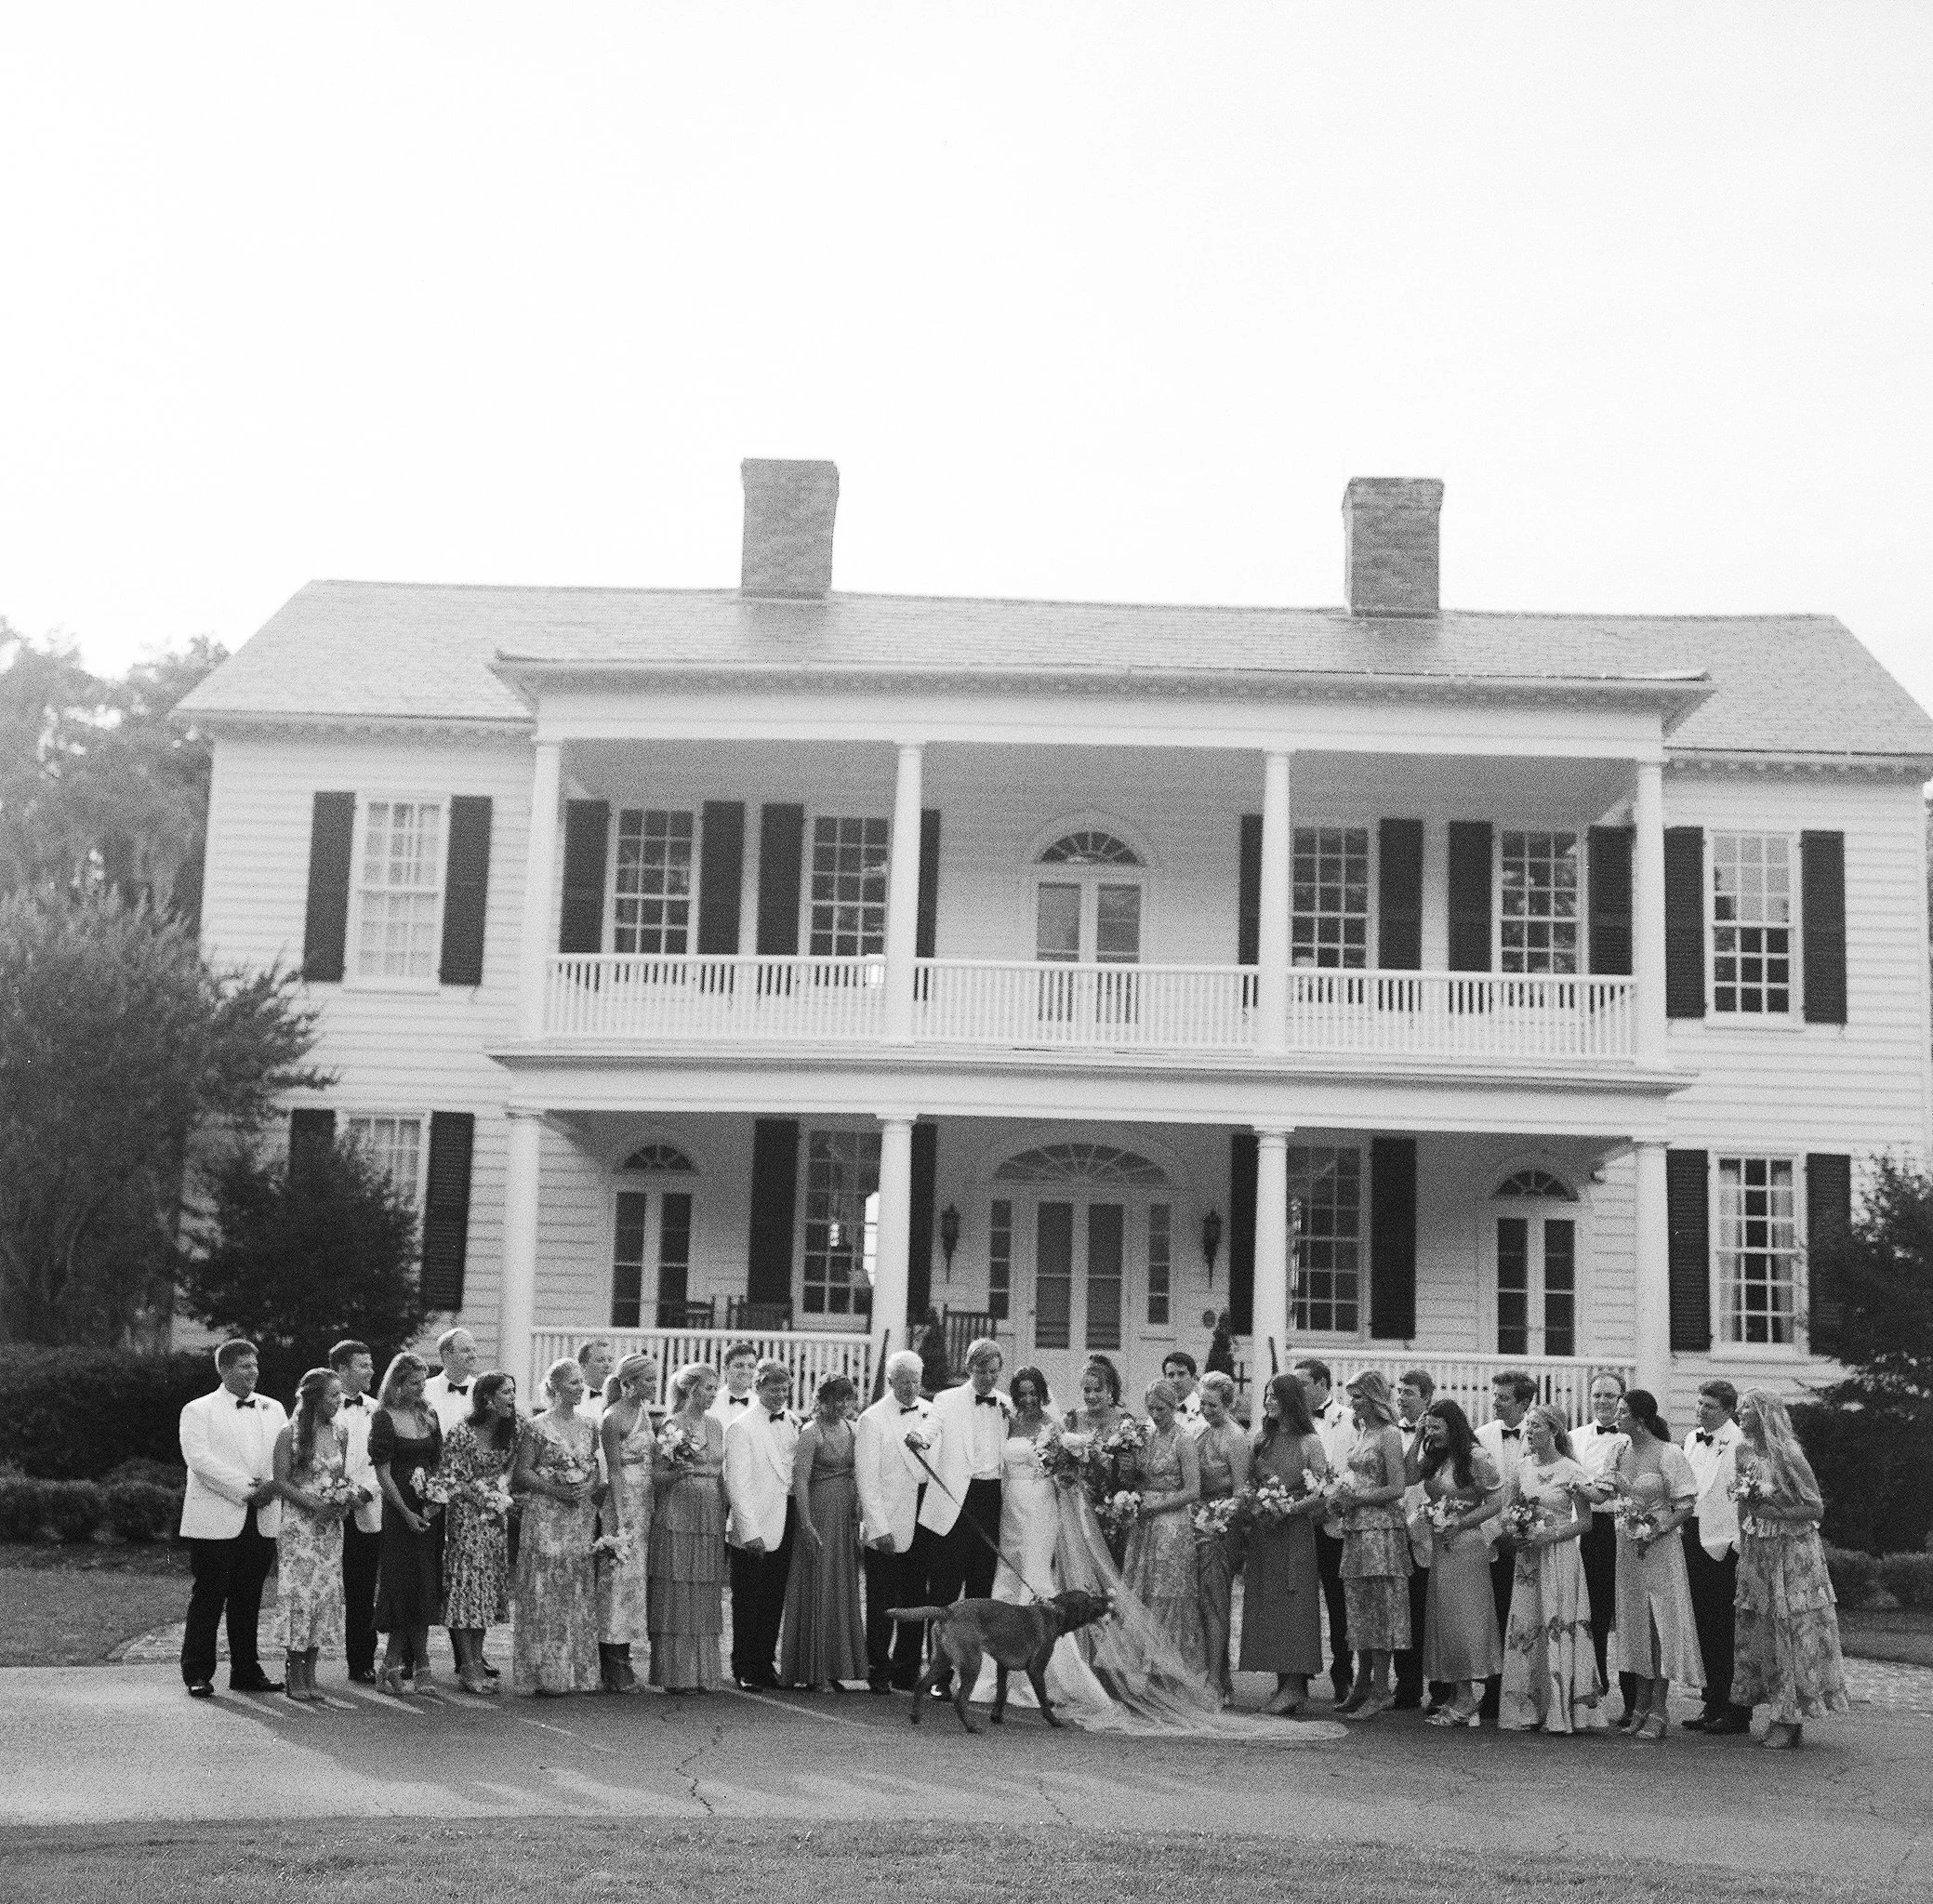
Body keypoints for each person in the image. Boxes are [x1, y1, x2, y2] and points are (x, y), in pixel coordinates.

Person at [1729, 1389, 1850, 1748]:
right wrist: (1744, 1540)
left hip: (1793, 1553)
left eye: (1745, 1410)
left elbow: (1815, 1508)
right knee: (1762, 1630)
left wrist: (1773, 1513)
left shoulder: (1789, 1454)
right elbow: (1743, 1503)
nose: (1740, 1416)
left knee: (1791, 1630)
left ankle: (1787, 1715)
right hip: (1758, 1550)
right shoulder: (1743, 1452)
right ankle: (1776, 1709)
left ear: (1764, 1414)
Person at [178, 1340, 287, 1697]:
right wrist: (247, 1488)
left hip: (263, 1516)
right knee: (209, 1595)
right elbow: (200, 1460)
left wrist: (272, 1487)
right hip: (216, 1517)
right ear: (223, 1370)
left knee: (249, 1597)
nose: (252, 1372)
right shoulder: (198, 1410)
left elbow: (285, 1456)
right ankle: (197, 1672)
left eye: (255, 1365)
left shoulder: (274, 1409)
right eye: (244, 1366)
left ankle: (246, 1670)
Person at [1498, 1404, 1606, 1733]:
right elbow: (1508, 1509)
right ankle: (1527, 1707)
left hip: (1559, 1556)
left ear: (1555, 1431)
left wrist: (1551, 1535)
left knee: (1555, 1623)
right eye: (1528, 1427)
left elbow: (1586, 1523)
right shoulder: (1521, 1468)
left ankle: (1562, 1707)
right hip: (1528, 1559)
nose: (1529, 1433)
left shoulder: (1572, 1470)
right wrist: (1515, 1530)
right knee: (1527, 1625)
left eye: (1536, 1427)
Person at [1610, 1388, 1704, 1739]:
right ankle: (1639, 1703)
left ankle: (1660, 1708)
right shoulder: (1618, 1451)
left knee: (1660, 1623)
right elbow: (1608, 1490)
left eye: (1622, 1412)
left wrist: (1656, 1528)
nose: (1616, 1417)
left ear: (1641, 1419)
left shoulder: (1670, 1453)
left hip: (1660, 1549)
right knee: (1635, 1622)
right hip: (1627, 1547)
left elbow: (1685, 1504)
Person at [918, 1338, 1010, 1692]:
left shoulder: (1006, 1404)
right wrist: (918, 1438)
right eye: (981, 1371)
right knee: (944, 1591)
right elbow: (931, 1429)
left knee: (980, 1593)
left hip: (991, 1500)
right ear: (968, 1369)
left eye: (993, 1372)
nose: (987, 1378)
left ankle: (971, 1674)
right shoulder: (946, 1399)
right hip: (955, 1500)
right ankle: (939, 1673)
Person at [1238, 1372, 1330, 1715]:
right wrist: (1256, 1503)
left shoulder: (1310, 1442)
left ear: (1290, 1400)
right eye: (1266, 1395)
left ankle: (1295, 1686)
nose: (1268, 1401)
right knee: (1269, 1604)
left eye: (1274, 1395)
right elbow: (1247, 1482)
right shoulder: (1262, 1439)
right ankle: (1282, 1683)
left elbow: (1322, 1491)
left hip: (1294, 1534)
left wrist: (1289, 1508)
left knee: (1294, 1604)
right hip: (1265, 1533)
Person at [510, 1357, 603, 1695]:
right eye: (573, 1383)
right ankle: (544, 1672)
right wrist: (556, 1489)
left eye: (582, 1382)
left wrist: (588, 1484)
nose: (580, 1388)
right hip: (546, 1514)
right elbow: (522, 1472)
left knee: (575, 1587)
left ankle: (576, 1671)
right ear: (555, 1387)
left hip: (579, 1514)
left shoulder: (591, 1425)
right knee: (545, 1589)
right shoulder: (536, 1427)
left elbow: (595, 1466)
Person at [1416, 1398, 1503, 1727]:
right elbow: (1413, 1476)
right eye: (1428, 1427)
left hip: (1466, 1546)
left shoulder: (1476, 1457)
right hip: (1442, 1545)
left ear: (1454, 1427)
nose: (1432, 1433)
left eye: (1437, 1427)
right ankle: (1455, 1692)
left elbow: (1497, 1498)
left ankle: (1467, 1697)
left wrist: (1463, 1522)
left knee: (1462, 1619)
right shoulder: (1437, 1458)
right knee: (1443, 1618)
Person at [778, 1374, 868, 1689]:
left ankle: (834, 1666)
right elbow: (800, 1481)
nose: (844, 1405)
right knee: (818, 1584)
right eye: (838, 1399)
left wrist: (859, 1506)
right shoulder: (809, 1433)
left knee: (841, 1586)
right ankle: (812, 1671)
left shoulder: (852, 1429)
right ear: (824, 1400)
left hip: (845, 1516)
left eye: (848, 1399)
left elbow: (859, 1472)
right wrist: (805, 1523)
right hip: (818, 1511)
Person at [1333, 1371, 1411, 1720]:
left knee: (1381, 1609)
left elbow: (1397, 1488)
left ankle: (1381, 1688)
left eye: (1360, 1397)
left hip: (1381, 1532)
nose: (1353, 1404)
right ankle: (1361, 1683)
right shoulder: (1362, 1433)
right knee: (1359, 1608)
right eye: (1352, 1398)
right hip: (1357, 1531)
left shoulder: (1389, 1435)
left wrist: (1357, 1499)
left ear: (1375, 1400)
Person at [855, 1349, 934, 1694]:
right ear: (890, 1383)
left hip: (924, 1516)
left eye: (916, 1382)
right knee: (883, 1601)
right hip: (887, 1518)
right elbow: (866, 1480)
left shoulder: (932, 1412)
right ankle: (878, 1668)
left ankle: (906, 1668)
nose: (911, 1389)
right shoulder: (872, 1419)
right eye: (904, 1383)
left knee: (917, 1597)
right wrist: (879, 1527)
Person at [271, 1367, 353, 1702]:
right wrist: (313, 1504)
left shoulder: (341, 1433)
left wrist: (342, 1501)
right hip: (299, 1527)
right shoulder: (288, 1434)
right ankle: (295, 1672)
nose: (339, 1401)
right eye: (334, 1395)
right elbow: (280, 1481)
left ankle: (312, 1673)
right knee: (300, 1595)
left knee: (324, 1594)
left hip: (330, 1529)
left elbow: (340, 1478)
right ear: (316, 1398)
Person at [368, 1351, 444, 1695]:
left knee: (425, 1585)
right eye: (413, 1383)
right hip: (400, 1511)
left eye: (422, 1383)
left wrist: (434, 1501)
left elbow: (438, 1464)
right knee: (402, 1586)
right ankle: (398, 1665)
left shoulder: (429, 1415)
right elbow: (383, 1472)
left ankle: (405, 1664)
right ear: (397, 1383)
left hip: (428, 1510)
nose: (420, 1389)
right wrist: (406, 1512)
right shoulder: (383, 1417)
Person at [1119, 1380, 1207, 1676]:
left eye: (1162, 1408)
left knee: (1167, 1592)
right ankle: (1141, 1667)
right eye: (1151, 1408)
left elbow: (1193, 1490)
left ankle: (1167, 1670)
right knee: (1142, 1589)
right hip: (1145, 1524)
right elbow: (1140, 1478)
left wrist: (1155, 1505)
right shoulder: (1147, 1436)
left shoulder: (1184, 1440)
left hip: (1172, 1524)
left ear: (1174, 1407)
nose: (1156, 1414)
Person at [650, 1362, 728, 1692]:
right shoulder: (672, 1424)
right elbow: (656, 1475)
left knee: (706, 1586)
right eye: (708, 1388)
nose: (712, 1394)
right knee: (678, 1584)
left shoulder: (716, 1425)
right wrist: (678, 1472)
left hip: (710, 1510)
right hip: (679, 1509)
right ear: (690, 1389)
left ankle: (703, 1673)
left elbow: (721, 1473)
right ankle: (676, 1674)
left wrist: (728, 1508)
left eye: (714, 1388)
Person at [724, 1358, 800, 1689]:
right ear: (758, 1388)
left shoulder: (792, 1422)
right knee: (747, 1601)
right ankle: (744, 1666)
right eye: (773, 1388)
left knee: (773, 1599)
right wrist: (748, 1531)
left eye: (784, 1389)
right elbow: (737, 1484)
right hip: (751, 1527)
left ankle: (765, 1662)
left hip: (783, 1523)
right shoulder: (741, 1427)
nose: (780, 1394)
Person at [1680, 1379, 1751, 1736]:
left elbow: (1743, 1497)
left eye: (1709, 1406)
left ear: (1727, 1410)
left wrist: (1738, 1545)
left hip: (1725, 1543)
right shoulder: (1692, 1439)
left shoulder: (1740, 1443)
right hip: (1694, 1535)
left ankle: (1733, 1706)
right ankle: (1712, 1701)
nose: (1701, 1410)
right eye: (1699, 1403)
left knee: (1725, 1626)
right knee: (1703, 1623)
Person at [442, 1370, 518, 1696]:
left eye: (513, 1392)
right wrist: (485, 1496)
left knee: (486, 1590)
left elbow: (514, 1465)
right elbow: (451, 1476)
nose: (512, 1398)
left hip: (494, 1521)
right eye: (506, 1393)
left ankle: (478, 1658)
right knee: (466, 1589)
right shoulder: (462, 1432)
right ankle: (468, 1665)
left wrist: (504, 1490)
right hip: (466, 1519)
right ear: (487, 1398)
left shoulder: (512, 1429)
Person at [1572, 1368, 1637, 1723]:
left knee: (1625, 1614)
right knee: (1592, 1614)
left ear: (1621, 1400)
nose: (1602, 1402)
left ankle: (1632, 1702)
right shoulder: (1575, 1437)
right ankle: (1592, 1690)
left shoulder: (1630, 1440)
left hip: (1623, 1526)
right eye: (1597, 1395)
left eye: (1610, 1397)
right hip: (1588, 1529)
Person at [1476, 1368, 1537, 1721]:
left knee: (1529, 1615)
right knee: (1495, 1615)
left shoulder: (1541, 1432)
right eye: (1494, 1395)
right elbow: (1479, 1488)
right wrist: (1496, 1531)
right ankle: (1494, 1688)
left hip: (1532, 1540)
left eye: (1503, 1397)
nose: (1495, 1402)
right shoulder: (1482, 1435)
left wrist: (1526, 1530)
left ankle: (1531, 1688)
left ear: (1524, 1403)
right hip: (1494, 1539)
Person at [1295, 1356, 1357, 1704]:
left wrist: (1331, 1503)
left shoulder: (1348, 1419)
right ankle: (1299, 1674)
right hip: (1299, 1524)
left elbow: (1355, 1467)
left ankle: (1343, 1674)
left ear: (1322, 1384)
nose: (1299, 1390)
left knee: (1338, 1602)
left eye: (1304, 1383)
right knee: (1300, 1600)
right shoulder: (1290, 1424)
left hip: (1334, 1523)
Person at [595, 1352, 657, 1693]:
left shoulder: (644, 1413)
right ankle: (613, 1661)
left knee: (634, 1585)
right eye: (647, 1380)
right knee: (617, 1581)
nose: (653, 1384)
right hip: (623, 1503)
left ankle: (626, 1654)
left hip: (644, 1499)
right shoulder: (612, 1417)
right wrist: (620, 1520)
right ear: (628, 1383)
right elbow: (614, 1470)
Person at [1192, 1371, 1251, 1700]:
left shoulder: (1235, 1438)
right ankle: (1220, 1676)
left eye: (1213, 1405)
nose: (1206, 1410)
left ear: (1227, 1404)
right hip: (1196, 1523)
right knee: (1200, 1603)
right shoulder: (1200, 1433)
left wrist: (1216, 1519)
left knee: (1216, 1603)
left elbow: (1242, 1492)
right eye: (1202, 1403)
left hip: (1222, 1530)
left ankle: (1215, 1681)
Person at [329, 1339, 383, 1686]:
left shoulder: (378, 1410)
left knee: (363, 1590)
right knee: (322, 1588)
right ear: (342, 1370)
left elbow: (383, 1460)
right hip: (326, 1509)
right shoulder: (318, 1408)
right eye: (363, 1365)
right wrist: (333, 1494)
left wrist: (363, 1491)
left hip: (366, 1508)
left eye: (370, 1364)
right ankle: (304, 1663)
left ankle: (362, 1661)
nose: (371, 1371)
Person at [1392, 1367, 1437, 1710]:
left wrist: (1425, 1435)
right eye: (1400, 1391)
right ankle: (1407, 1688)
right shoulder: (1392, 1432)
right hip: (1396, 1533)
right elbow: (1404, 1475)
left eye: (1409, 1393)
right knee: (1402, 1611)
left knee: (1430, 1610)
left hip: (1430, 1535)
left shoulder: (1439, 1434)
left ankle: (1438, 1688)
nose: (1401, 1398)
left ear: (1426, 1398)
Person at [423, 1327, 479, 1433]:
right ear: (447, 1355)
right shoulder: (425, 1390)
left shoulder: (482, 1390)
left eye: (474, 1350)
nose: (473, 1355)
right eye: (466, 1350)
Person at [1063, 1355, 1130, 1436]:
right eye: (1087, 1390)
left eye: (1098, 1390)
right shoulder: (1070, 1421)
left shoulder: (1125, 1423)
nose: (1091, 1396)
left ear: (1109, 1389)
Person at [708, 1342, 761, 1427]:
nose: (745, 1371)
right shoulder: (710, 1403)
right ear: (726, 1369)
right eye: (739, 1366)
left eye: (751, 1366)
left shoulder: (760, 1406)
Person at [576, 1339, 616, 1428]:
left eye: (610, 1360)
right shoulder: (573, 1396)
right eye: (601, 1360)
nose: (607, 1365)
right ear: (583, 1365)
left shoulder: (619, 1397)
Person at [1161, 1352, 1204, 1431]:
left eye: (1181, 1374)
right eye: (1171, 1375)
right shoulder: (1158, 1409)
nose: (1176, 1380)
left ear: (1193, 1378)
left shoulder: (1205, 1411)